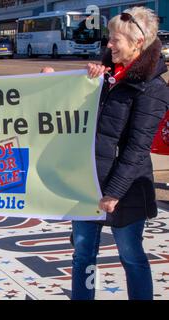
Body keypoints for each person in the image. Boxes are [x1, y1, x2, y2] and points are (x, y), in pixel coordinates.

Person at [73, 7, 169, 300]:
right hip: (88, 183)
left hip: (124, 189)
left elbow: (137, 148)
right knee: (82, 255)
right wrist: (80, 82)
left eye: (115, 40)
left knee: (131, 256)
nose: (109, 46)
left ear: (138, 43)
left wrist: (113, 192)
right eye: (109, 40)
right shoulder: (104, 77)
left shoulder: (152, 88)